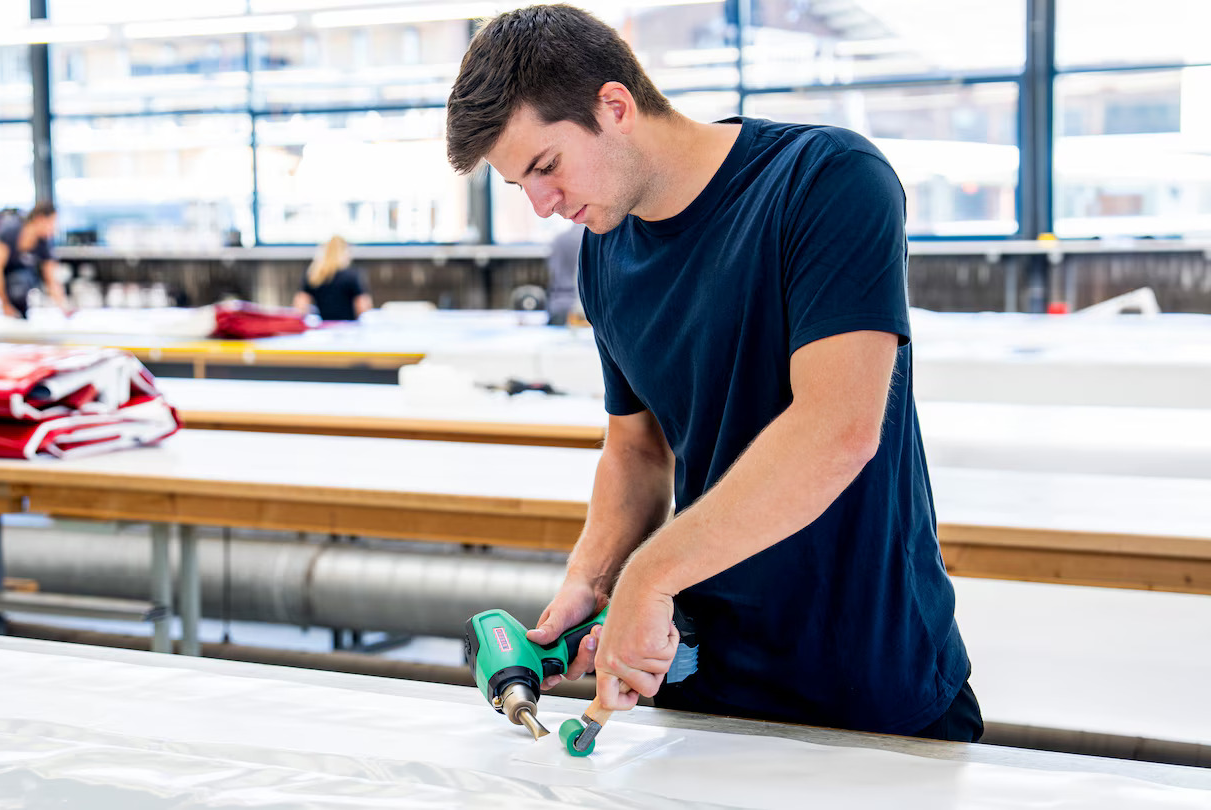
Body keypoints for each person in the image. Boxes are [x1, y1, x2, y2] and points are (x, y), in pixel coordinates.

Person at [446, 5, 980, 742]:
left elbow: (840, 429)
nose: (544, 206)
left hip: (870, 673)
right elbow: (638, 450)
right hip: (707, 681)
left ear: (615, 106)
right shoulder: (607, 251)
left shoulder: (826, 182)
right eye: (519, 186)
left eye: (546, 166)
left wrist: (651, 573)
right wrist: (593, 580)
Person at [0, 201, 70, 318]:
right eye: (52, 223)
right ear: (39, 219)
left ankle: (21, 314)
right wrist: (4, 304)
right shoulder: (10, 230)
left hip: (18, 282)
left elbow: (51, 279)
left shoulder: (44, 242)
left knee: (19, 283)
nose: (53, 228)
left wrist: (64, 307)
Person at [293, 235, 372, 321]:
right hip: (348, 328)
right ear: (345, 251)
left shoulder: (314, 274)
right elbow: (362, 308)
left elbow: (300, 307)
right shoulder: (352, 275)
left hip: (323, 327)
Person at [546, 222, 585, 326]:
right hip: (582, 308)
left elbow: (553, 272)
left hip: (559, 305)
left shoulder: (559, 240)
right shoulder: (594, 239)